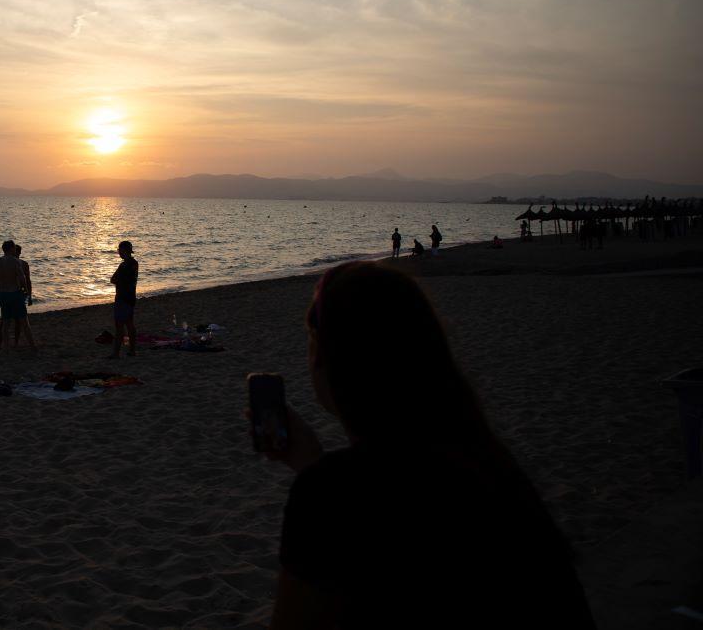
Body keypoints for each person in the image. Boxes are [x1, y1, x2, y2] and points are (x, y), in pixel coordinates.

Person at [255, 262, 595, 629]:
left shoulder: (330, 494)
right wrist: (312, 463)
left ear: (322, 356)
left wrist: (318, 477)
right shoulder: (486, 463)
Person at [0, 240, 35, 350]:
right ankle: (32, 346)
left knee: (6, 323)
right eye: (14, 248)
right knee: (24, 322)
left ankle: (6, 348)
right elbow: (22, 279)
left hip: (3, 294)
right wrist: (26, 291)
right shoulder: (15, 262)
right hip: (15, 294)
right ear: (11, 249)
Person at [108, 240, 138, 358]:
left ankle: (116, 353)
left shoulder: (128, 264)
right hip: (128, 297)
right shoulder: (129, 264)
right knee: (129, 324)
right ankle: (132, 350)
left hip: (124, 298)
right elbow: (114, 279)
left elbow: (118, 279)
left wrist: (119, 281)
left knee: (120, 326)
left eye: (119, 250)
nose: (118, 252)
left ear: (124, 251)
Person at [12, 244, 36, 346]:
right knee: (19, 321)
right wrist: (29, 296)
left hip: (12, 293)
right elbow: (28, 281)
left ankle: (13, 343)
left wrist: (29, 295)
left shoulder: (12, 264)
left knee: (8, 322)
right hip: (20, 293)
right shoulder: (23, 264)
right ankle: (16, 343)